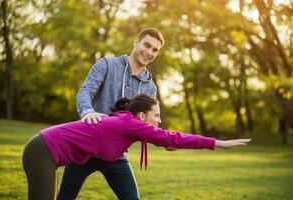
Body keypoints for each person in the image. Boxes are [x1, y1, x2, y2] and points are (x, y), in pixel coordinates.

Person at [22, 94, 251, 200]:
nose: (159, 121)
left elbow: (165, 138)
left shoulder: (126, 123)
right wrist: (219, 143)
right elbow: (173, 137)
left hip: (44, 150)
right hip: (42, 151)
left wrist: (162, 141)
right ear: (142, 115)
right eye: (156, 115)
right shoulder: (129, 123)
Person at [58, 28, 166, 200]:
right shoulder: (107, 64)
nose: (149, 52)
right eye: (147, 45)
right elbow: (85, 91)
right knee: (66, 197)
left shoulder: (150, 88)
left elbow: (146, 123)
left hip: (117, 154)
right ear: (135, 43)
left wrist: (163, 140)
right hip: (86, 146)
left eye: (155, 50)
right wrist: (87, 111)